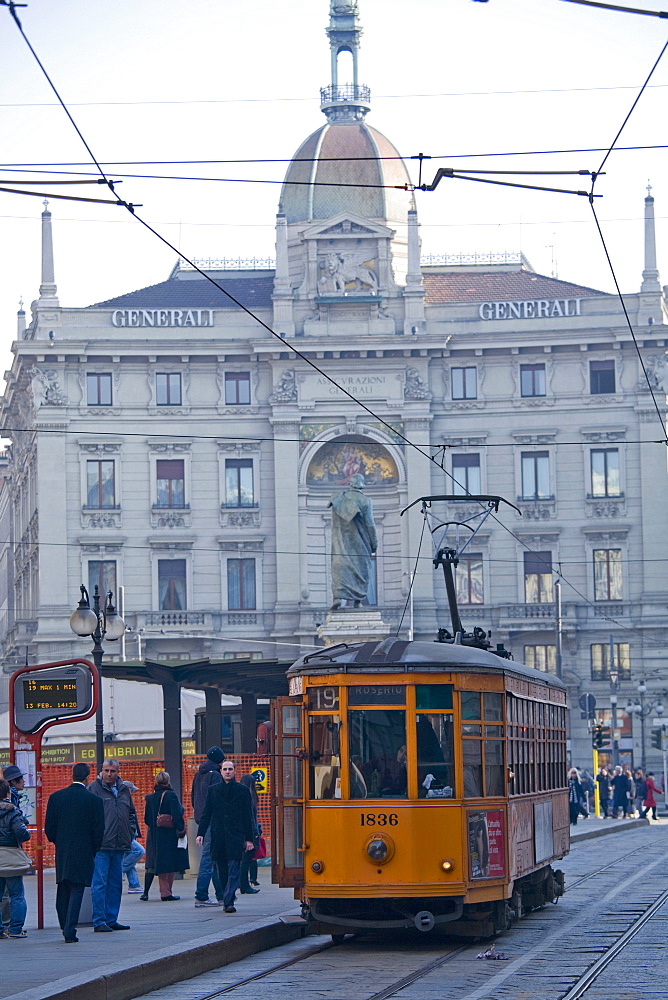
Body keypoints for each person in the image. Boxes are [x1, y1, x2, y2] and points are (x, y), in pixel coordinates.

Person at [44, 762, 105, 942]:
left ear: (72, 775)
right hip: (84, 850)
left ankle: (64, 923)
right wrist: (93, 848)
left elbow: (50, 829)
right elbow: (98, 830)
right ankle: (69, 930)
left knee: (63, 886)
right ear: (87, 778)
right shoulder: (94, 801)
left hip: (63, 850)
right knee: (77, 888)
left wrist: (60, 841)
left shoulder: (56, 798)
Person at [196, 760, 255, 913]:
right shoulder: (213, 790)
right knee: (221, 869)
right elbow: (206, 813)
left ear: (235, 771)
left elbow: (247, 816)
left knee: (234, 867)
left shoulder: (242, 791)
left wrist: (249, 838)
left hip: (236, 835)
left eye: (230, 769)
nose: (228, 772)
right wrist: (200, 833)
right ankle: (226, 896)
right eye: (225, 769)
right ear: (221, 771)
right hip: (219, 834)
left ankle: (228, 900)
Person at [88, 758, 136, 932]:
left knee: (116, 883)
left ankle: (111, 918)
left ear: (118, 772)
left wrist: (130, 833)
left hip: (119, 844)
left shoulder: (124, 790)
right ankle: (99, 920)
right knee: (99, 883)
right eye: (106, 770)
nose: (109, 774)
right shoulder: (94, 789)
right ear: (101, 770)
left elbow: (131, 813)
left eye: (112, 771)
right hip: (101, 845)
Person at [328, 473, 378, 610]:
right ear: (362, 485)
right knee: (361, 569)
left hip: (341, 542)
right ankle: (358, 600)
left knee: (340, 567)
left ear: (350, 484)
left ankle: (337, 597)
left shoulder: (338, 498)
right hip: (360, 543)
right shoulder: (365, 501)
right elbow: (370, 524)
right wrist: (374, 542)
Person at [143, 771, 188, 901]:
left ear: (156, 782)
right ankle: (166, 892)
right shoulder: (171, 796)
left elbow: (146, 819)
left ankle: (165, 891)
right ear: (168, 781)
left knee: (161, 863)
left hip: (155, 835)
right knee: (171, 863)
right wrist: (181, 828)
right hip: (170, 834)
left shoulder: (150, 798)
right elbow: (177, 814)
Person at [192, 747, 225, 907]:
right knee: (209, 858)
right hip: (214, 820)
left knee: (213, 857)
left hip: (202, 819)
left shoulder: (199, 775)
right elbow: (219, 801)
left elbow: (193, 797)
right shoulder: (216, 776)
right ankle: (201, 895)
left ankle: (221, 895)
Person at [0, 777, 30, 938]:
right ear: (7, 793)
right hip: (11, 856)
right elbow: (22, 834)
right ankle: (15, 929)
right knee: (16, 895)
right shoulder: (13, 812)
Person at [121, 782, 145, 893]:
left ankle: (134, 884)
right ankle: (119, 871)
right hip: (127, 834)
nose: (133, 793)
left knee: (130, 858)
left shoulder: (124, 801)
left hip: (128, 834)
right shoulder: (124, 802)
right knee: (139, 851)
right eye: (132, 791)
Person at [239, 774, 261, 894]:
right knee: (247, 859)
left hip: (240, 832)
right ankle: (244, 884)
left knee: (242, 859)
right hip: (250, 833)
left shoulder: (238, 796)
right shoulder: (250, 798)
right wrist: (254, 833)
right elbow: (251, 818)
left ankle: (242, 883)